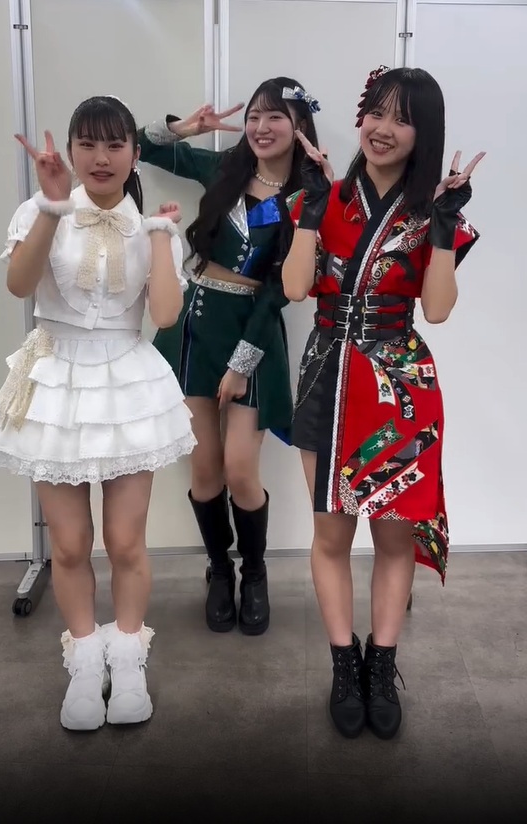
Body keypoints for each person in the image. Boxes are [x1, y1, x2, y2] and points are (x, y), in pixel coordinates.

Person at [0, 95, 196, 731]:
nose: (101, 157)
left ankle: (127, 662)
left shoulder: (154, 226)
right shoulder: (40, 210)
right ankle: (82, 663)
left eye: (115, 144)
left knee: (126, 541)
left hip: (127, 380)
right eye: (88, 144)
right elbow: (19, 286)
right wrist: (52, 206)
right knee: (70, 544)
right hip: (57, 380)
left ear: (134, 153)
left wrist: (162, 238)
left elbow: (163, 316)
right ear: (71, 151)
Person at [282, 66, 484, 740]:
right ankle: (345, 664)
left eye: (402, 118)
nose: (383, 128)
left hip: (400, 385)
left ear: (424, 133)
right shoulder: (323, 197)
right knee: (331, 534)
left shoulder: (433, 215)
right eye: (376, 112)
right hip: (326, 377)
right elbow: (295, 287)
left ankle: (382, 663)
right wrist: (311, 214)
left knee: (395, 535)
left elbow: (438, 309)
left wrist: (445, 230)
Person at [136, 77, 321, 636]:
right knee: (204, 467)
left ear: (299, 127)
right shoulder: (224, 169)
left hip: (255, 332)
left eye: (276, 117)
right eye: (255, 116)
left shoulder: (309, 197)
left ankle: (254, 572)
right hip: (194, 326)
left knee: (241, 468)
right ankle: (219, 570)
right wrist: (182, 128)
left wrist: (242, 364)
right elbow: (138, 146)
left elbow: (283, 290)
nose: (261, 128)